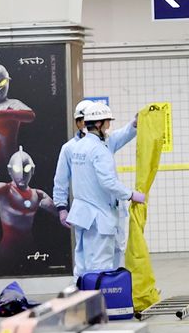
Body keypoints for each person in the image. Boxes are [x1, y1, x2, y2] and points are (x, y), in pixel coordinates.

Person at [64, 101, 146, 279]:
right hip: (100, 217)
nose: (109, 127)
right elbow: (108, 182)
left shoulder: (77, 147)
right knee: (101, 267)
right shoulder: (99, 150)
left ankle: (83, 301)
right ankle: (100, 305)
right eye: (107, 122)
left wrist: (133, 125)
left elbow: (119, 136)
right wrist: (131, 195)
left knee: (83, 265)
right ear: (99, 123)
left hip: (83, 217)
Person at [53, 99, 138, 234]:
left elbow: (123, 134)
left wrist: (134, 124)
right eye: (83, 120)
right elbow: (61, 180)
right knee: (95, 250)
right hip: (90, 211)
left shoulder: (106, 141)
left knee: (116, 250)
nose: (86, 124)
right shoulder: (69, 148)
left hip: (111, 208)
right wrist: (61, 206)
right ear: (78, 122)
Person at [0, 148, 55, 275]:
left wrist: (53, 207)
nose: (21, 175)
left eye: (26, 170)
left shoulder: (38, 194)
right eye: (17, 170)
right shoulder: (5, 189)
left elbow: (58, 212)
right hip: (8, 248)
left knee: (37, 277)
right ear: (10, 171)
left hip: (29, 246)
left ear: (32, 170)